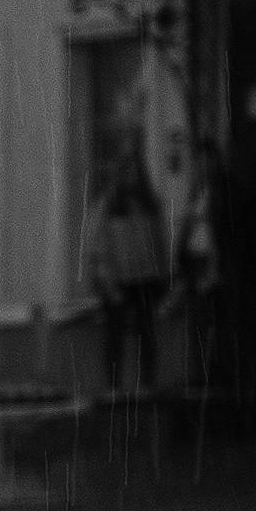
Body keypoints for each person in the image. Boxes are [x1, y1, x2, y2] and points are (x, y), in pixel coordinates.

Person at [83, 149, 174, 401]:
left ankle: (147, 384)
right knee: (115, 335)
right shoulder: (108, 207)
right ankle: (114, 387)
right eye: (126, 170)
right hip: (119, 281)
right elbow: (98, 247)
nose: (130, 176)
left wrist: (163, 274)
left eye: (134, 169)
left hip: (145, 279)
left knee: (147, 333)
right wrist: (108, 283)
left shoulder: (148, 205)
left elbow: (159, 242)